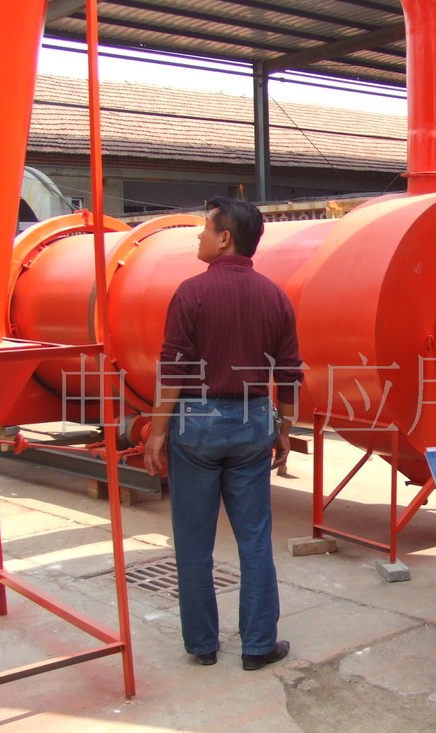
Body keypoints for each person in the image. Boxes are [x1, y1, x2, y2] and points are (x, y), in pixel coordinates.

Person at [143, 196, 303, 670]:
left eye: (206, 228)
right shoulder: (274, 296)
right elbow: (290, 373)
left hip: (196, 424)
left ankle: (202, 644)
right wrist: (284, 428)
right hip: (253, 420)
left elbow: (173, 368)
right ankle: (258, 645)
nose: (199, 235)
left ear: (225, 238)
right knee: (254, 539)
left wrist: (156, 431)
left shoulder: (190, 293)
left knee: (194, 541)